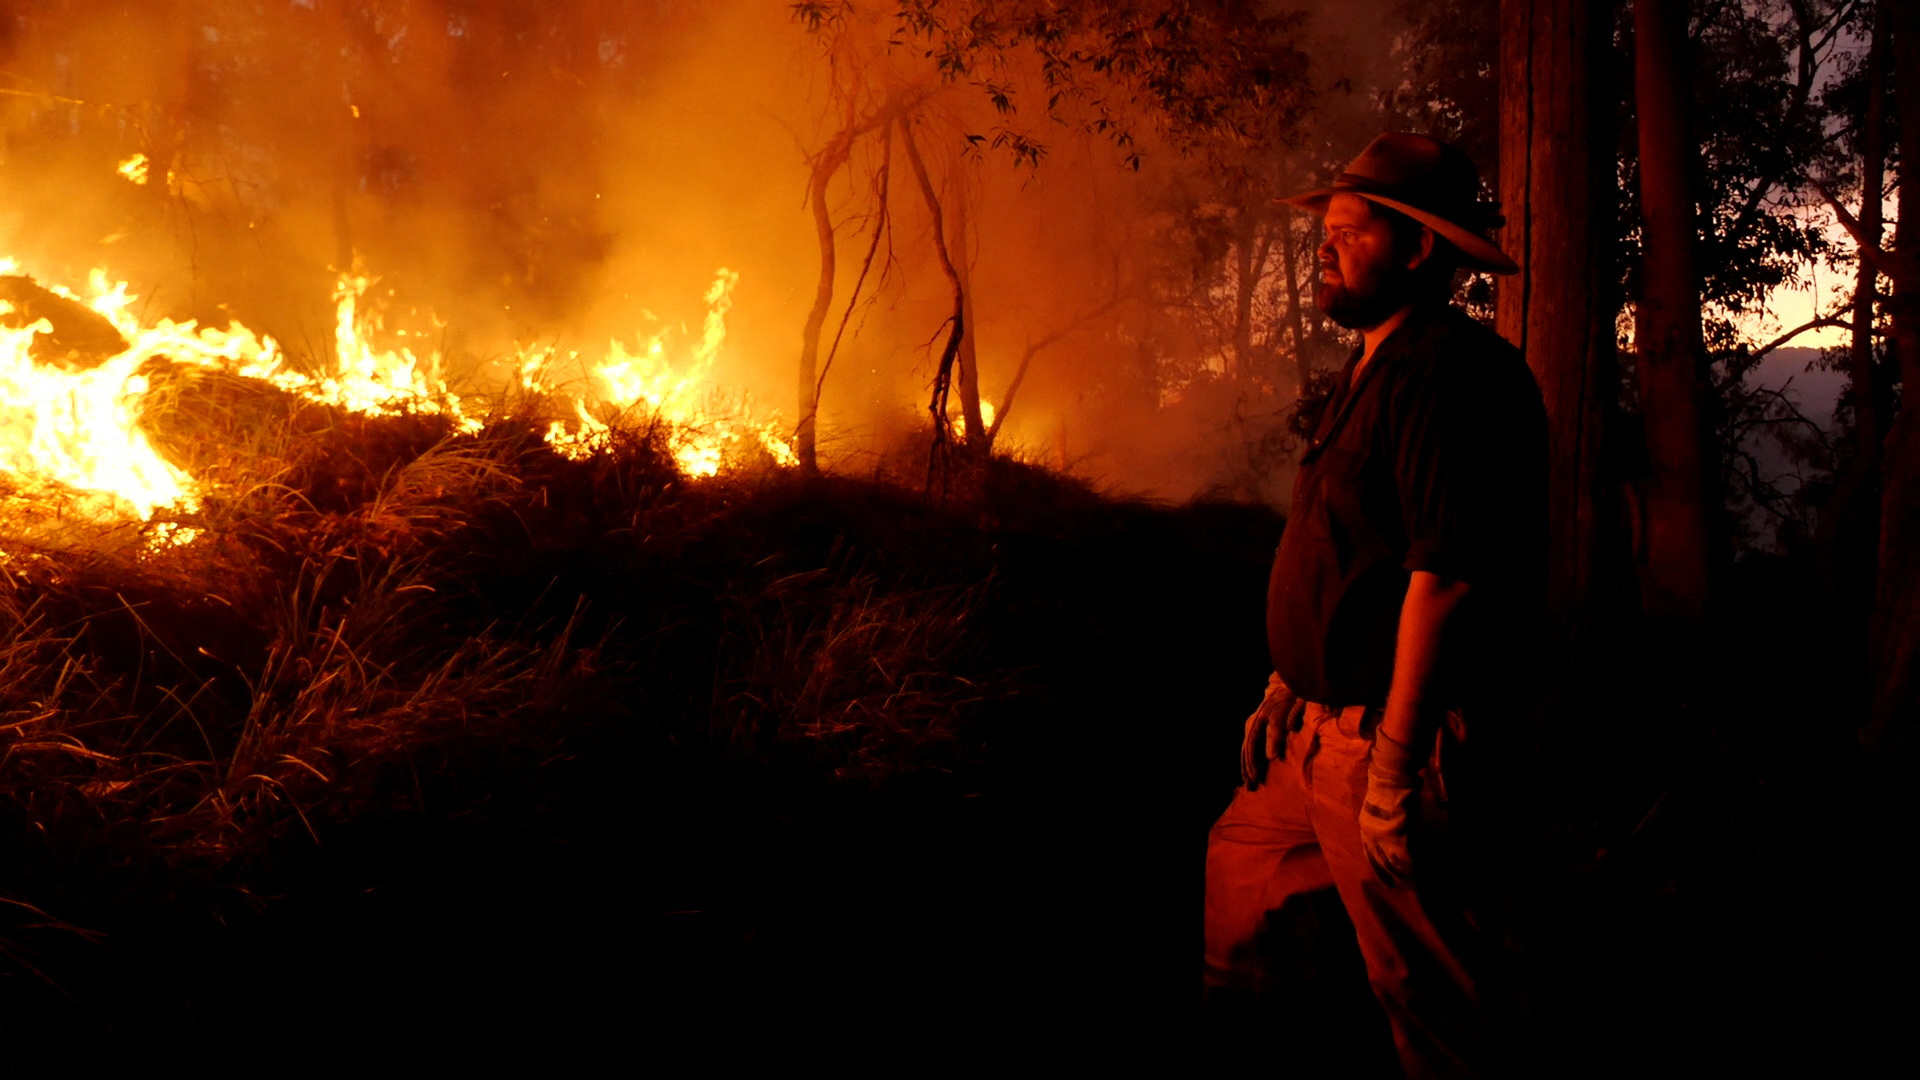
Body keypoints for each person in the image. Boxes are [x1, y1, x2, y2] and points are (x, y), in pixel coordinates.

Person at [1203, 132, 1548, 1079]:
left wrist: (1395, 767)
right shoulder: (1371, 369)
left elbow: (1447, 578)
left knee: (1435, 994)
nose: (1324, 246)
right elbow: (1353, 549)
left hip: (1388, 743)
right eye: (1327, 231)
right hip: (1314, 732)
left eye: (1349, 232)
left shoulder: (1453, 378)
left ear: (1419, 249)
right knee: (1246, 890)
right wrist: (1291, 675)